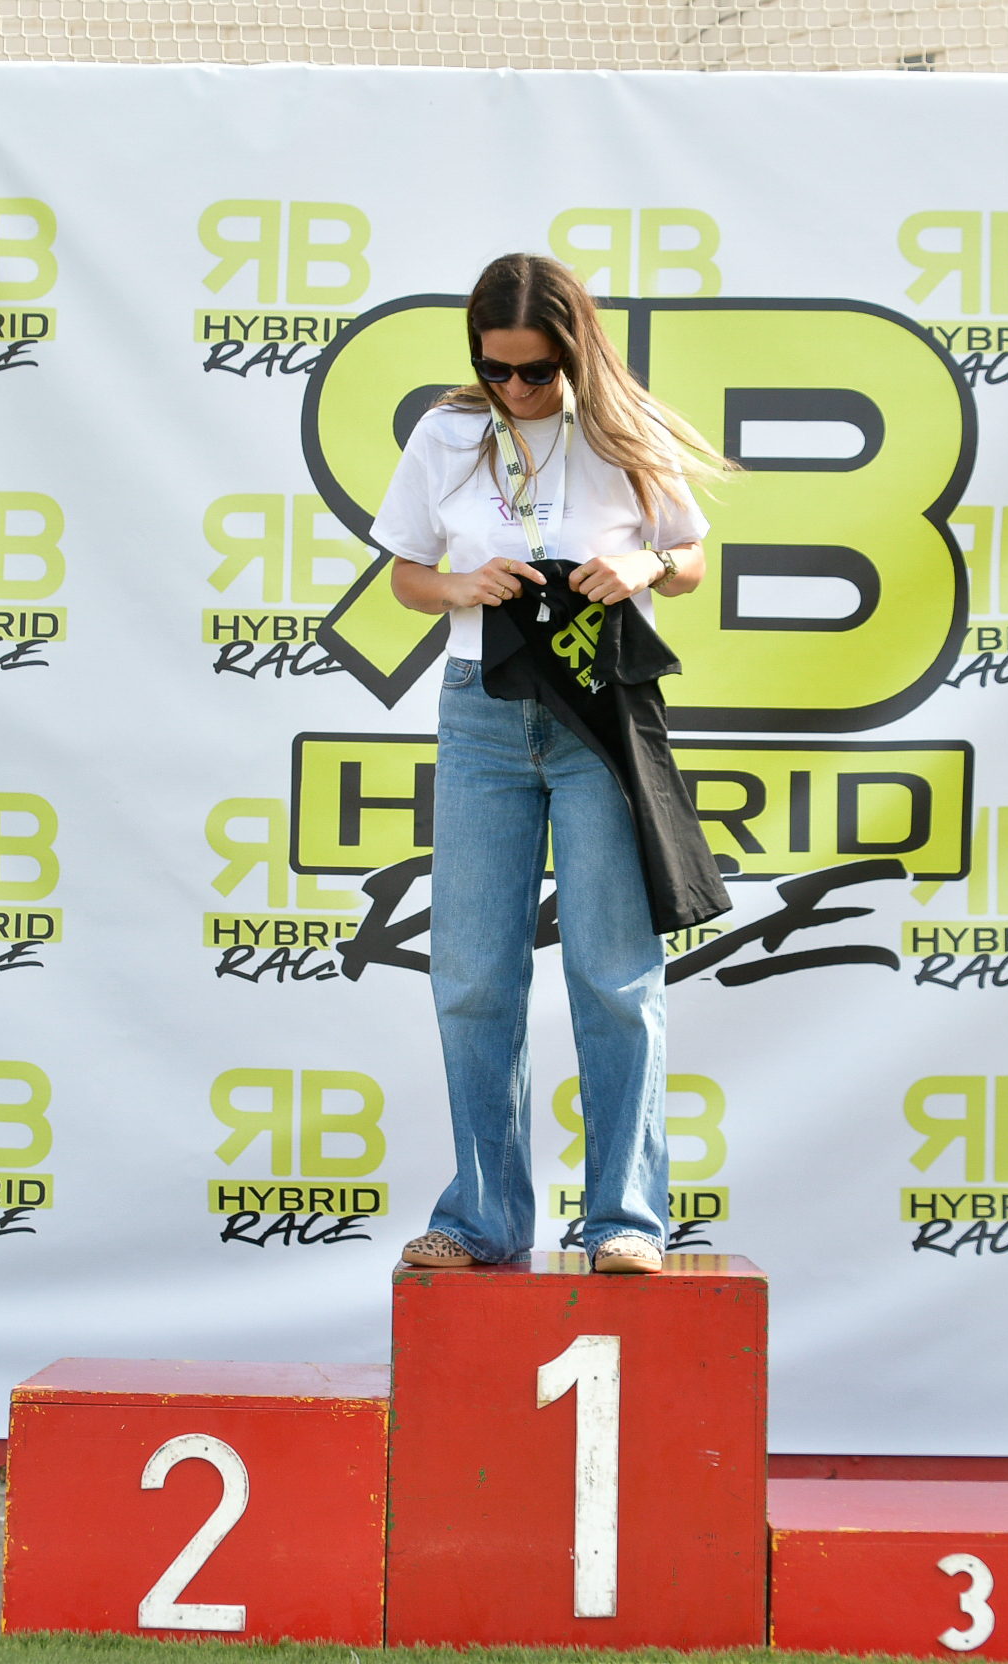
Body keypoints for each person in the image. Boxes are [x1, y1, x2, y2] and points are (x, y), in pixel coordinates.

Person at [370, 252, 730, 1276]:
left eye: (537, 370)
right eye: (497, 369)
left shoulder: (624, 429)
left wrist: (644, 563)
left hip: (598, 715)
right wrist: (460, 584)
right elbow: (404, 574)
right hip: (482, 713)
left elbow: (691, 558)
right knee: (472, 974)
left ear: (574, 353)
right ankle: (482, 1218)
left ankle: (626, 1219)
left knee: (613, 972)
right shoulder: (447, 434)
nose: (517, 388)